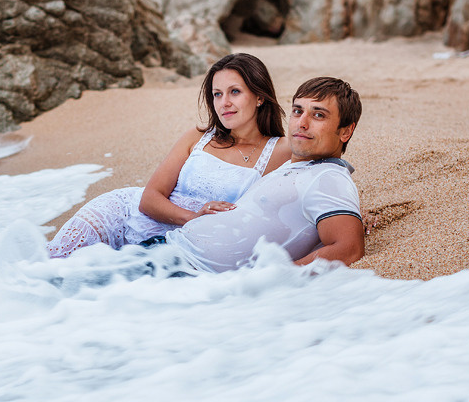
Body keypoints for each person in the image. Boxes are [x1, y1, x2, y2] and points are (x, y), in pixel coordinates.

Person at [46, 53, 291, 258]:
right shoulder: (198, 137)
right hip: (120, 215)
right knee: (52, 268)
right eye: (217, 94)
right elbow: (149, 198)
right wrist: (195, 218)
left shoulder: (279, 150)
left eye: (234, 92)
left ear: (259, 96)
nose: (224, 102)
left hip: (173, 247)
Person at [163, 76, 364, 272]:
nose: (301, 123)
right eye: (297, 111)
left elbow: (349, 248)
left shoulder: (329, 178)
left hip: (188, 271)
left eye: (318, 115)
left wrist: (269, 281)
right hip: (168, 254)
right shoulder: (297, 167)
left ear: (345, 132)